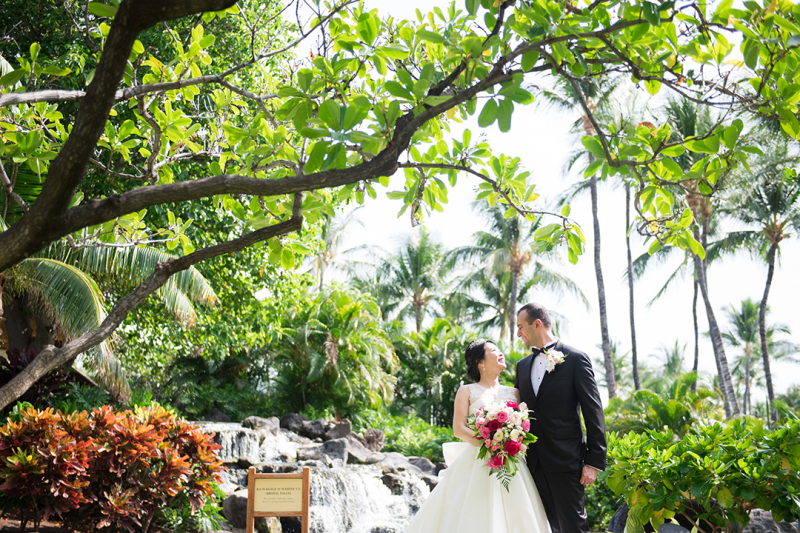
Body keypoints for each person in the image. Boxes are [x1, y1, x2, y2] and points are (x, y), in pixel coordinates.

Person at [404, 338, 550, 533]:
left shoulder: (515, 393)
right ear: (480, 362)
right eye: (493, 350)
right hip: (477, 461)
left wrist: (510, 441)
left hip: (511, 462)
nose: (500, 352)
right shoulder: (466, 391)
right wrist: (490, 443)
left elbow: (525, 426)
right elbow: (459, 428)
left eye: (499, 349)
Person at [514, 302, 607, 533]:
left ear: (537, 324)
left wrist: (593, 461)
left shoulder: (575, 358)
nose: (518, 334)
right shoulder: (521, 366)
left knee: (573, 526)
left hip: (566, 460)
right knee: (544, 527)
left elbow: (593, 410)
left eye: (520, 327)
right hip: (531, 464)